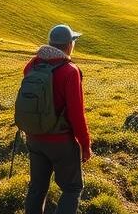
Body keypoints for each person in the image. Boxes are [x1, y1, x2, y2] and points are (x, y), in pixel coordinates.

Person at [24, 24, 92, 214]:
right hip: (61, 141)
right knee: (72, 188)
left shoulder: (33, 64)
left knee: (37, 188)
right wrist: (85, 145)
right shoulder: (70, 71)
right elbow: (76, 115)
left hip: (34, 136)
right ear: (69, 45)